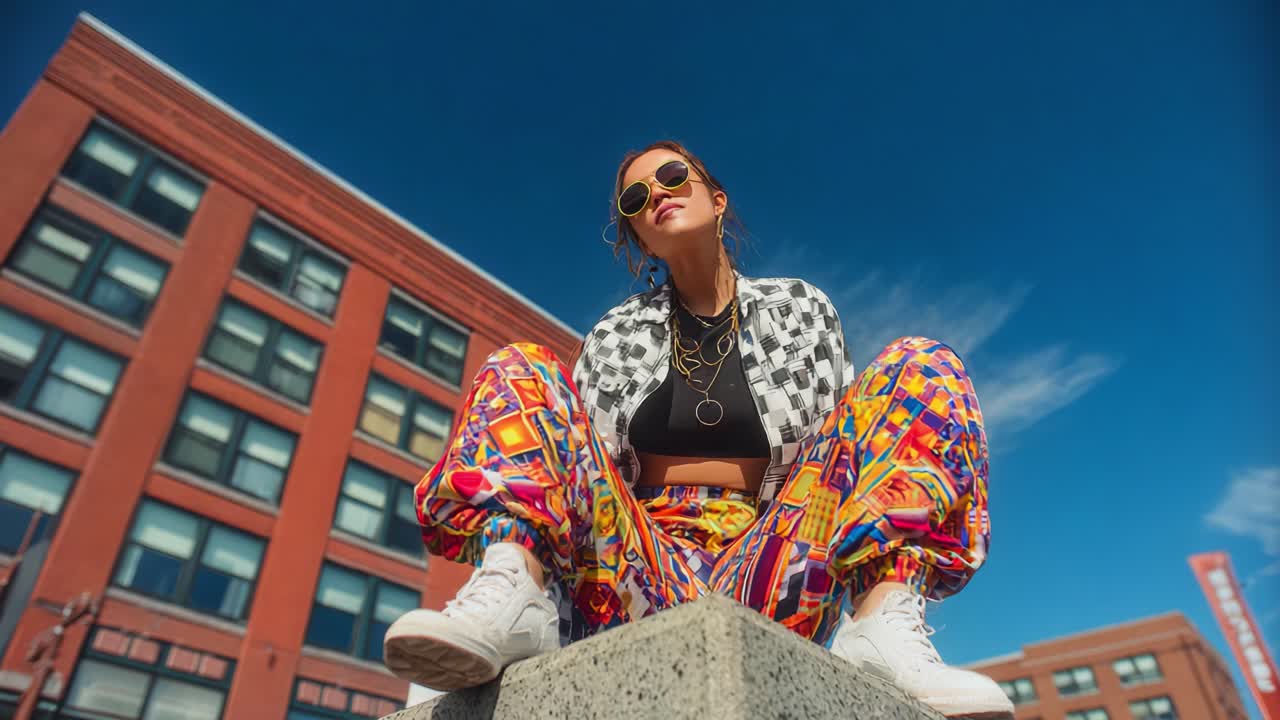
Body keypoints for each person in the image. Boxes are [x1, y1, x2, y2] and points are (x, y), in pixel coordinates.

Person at [382, 142, 1013, 719]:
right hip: (644, 562)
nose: (656, 194)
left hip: (774, 559)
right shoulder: (615, 334)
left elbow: (837, 448)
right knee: (519, 365)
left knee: (922, 365)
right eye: (636, 198)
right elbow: (582, 466)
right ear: (638, 235)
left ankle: (882, 621)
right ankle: (512, 587)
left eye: (672, 176)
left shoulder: (800, 309)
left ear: (717, 200)